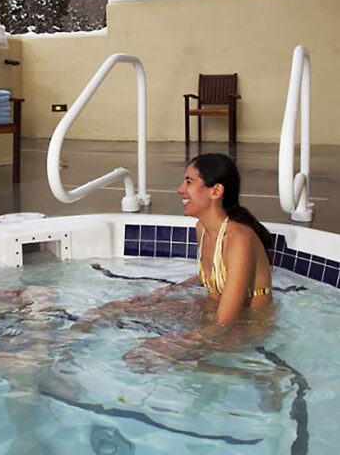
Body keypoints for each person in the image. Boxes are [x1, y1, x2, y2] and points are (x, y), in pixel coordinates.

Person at [78, 153, 273, 367]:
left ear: (216, 191)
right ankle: (64, 351)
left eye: (189, 182)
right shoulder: (203, 228)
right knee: (111, 309)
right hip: (209, 312)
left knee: (148, 358)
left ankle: (266, 376)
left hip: (245, 325)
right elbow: (211, 273)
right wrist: (166, 292)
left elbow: (226, 321)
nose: (180, 189)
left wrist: (180, 343)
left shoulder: (239, 238)